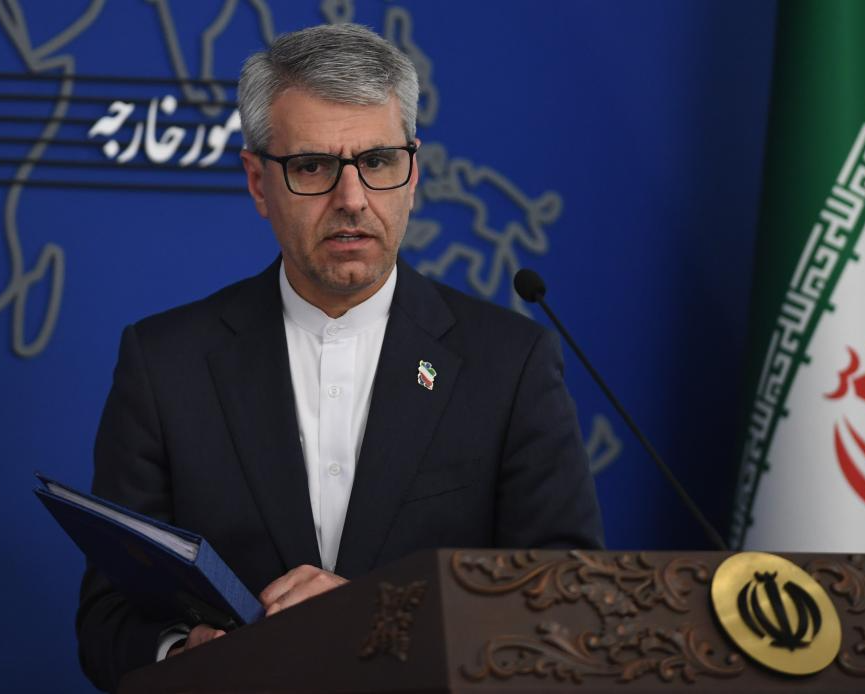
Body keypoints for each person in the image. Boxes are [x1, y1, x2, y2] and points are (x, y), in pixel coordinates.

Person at [76, 22, 603, 692]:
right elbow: (107, 620)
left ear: (413, 174)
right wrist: (184, 654)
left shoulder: (511, 363)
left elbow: (569, 604)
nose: (352, 199)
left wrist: (383, 620)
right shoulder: (164, 363)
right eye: (312, 167)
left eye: (378, 162)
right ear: (258, 182)